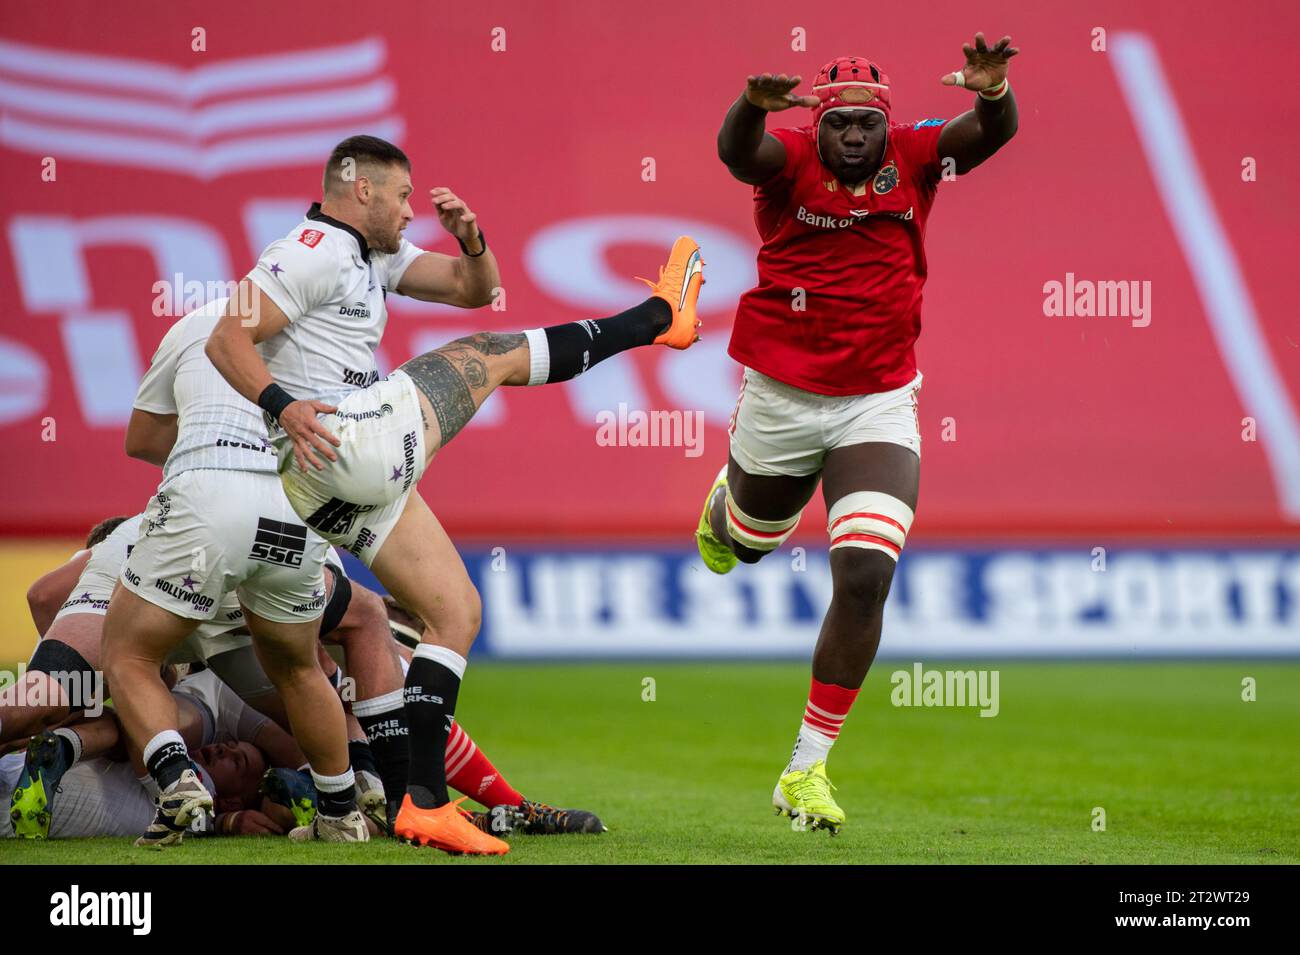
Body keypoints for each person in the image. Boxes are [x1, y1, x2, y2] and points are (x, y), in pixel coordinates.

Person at [205, 134, 702, 854]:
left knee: (456, 612)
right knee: (491, 354)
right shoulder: (310, 248)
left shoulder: (374, 255)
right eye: (403, 196)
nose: (412, 211)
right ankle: (658, 318)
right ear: (362, 189)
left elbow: (473, 290)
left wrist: (473, 243)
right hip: (341, 440)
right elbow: (228, 337)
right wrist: (284, 404)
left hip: (334, 485)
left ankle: (425, 803)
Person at [698, 36, 1019, 832]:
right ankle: (727, 512)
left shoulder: (913, 156)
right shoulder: (792, 159)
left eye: (862, 127)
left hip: (877, 399)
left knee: (868, 573)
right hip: (781, 393)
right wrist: (750, 108)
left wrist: (994, 91)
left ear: (885, 126)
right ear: (821, 123)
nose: (849, 137)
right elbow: (740, 154)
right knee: (748, 543)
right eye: (837, 123)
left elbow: (991, 133)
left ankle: (806, 768)